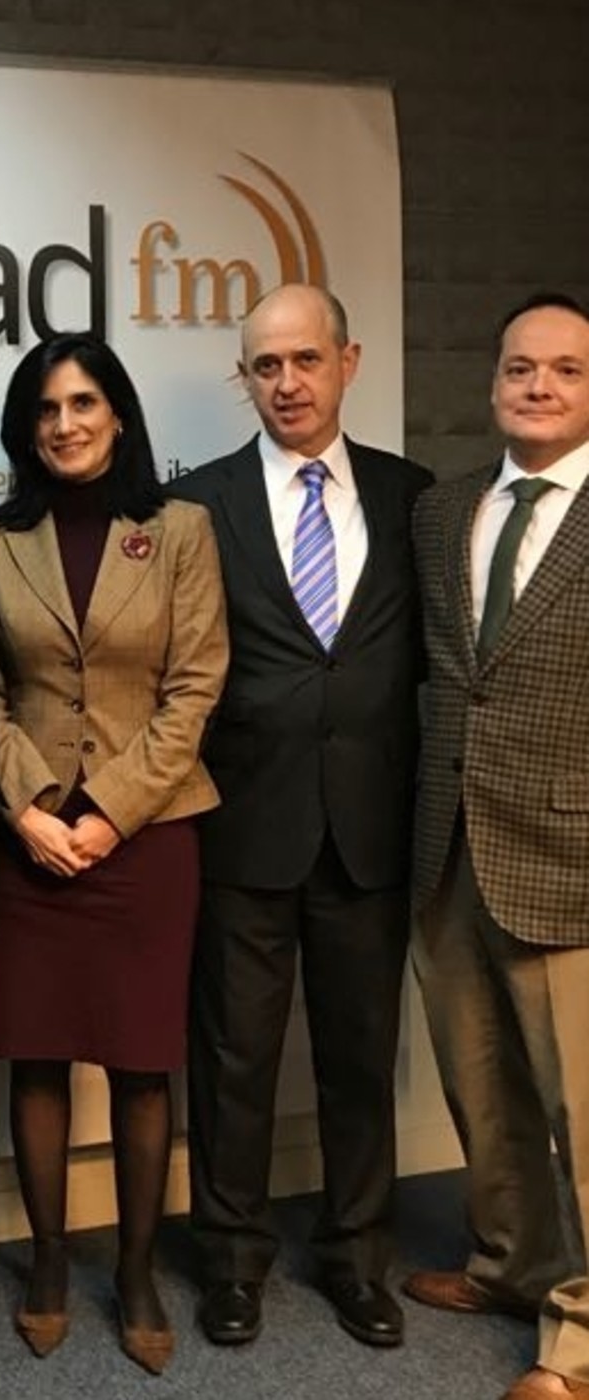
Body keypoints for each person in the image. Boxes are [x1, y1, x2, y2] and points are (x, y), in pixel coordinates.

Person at [168, 283, 431, 1349]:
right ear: (246, 377)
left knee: (359, 1061)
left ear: (346, 362)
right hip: (243, 827)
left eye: (304, 360)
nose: (286, 383)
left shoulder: (414, 498)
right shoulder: (196, 504)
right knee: (231, 1059)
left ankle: (357, 1258)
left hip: (370, 829)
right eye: (264, 366)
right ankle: (230, 1262)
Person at [0, 333, 226, 1375]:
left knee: (140, 1063)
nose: (65, 424)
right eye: (46, 409)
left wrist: (112, 812)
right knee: (36, 1055)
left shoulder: (177, 529)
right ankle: (46, 1260)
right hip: (32, 839)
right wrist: (30, 806)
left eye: (83, 403)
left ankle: (133, 1270)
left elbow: (195, 684)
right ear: (24, 428)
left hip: (148, 837)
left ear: (118, 416)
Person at [404, 293, 589, 1400]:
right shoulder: (446, 509)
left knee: (583, 1114)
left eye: (565, 370)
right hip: (450, 843)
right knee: (482, 1085)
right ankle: (513, 1266)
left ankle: (578, 1345)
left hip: (573, 849)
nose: (538, 387)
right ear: (492, 381)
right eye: (520, 367)